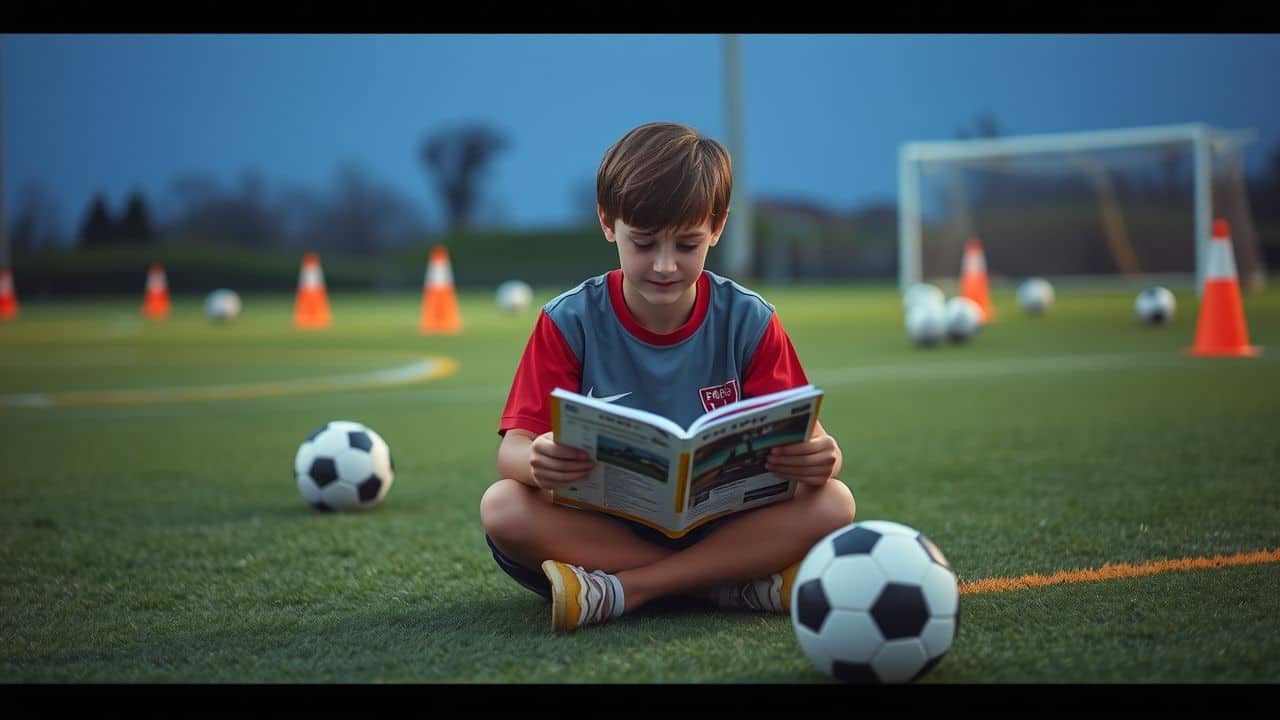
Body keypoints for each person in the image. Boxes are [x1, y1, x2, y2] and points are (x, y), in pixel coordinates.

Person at [479, 121, 856, 632]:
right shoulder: (568, 320)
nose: (663, 264)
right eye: (644, 242)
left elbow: (808, 441)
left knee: (834, 502)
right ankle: (725, 586)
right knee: (503, 507)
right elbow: (512, 452)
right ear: (608, 223)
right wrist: (538, 459)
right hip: (605, 527)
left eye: (686, 245)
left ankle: (628, 591)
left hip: (719, 525)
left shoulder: (750, 319)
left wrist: (824, 455)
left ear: (717, 227)